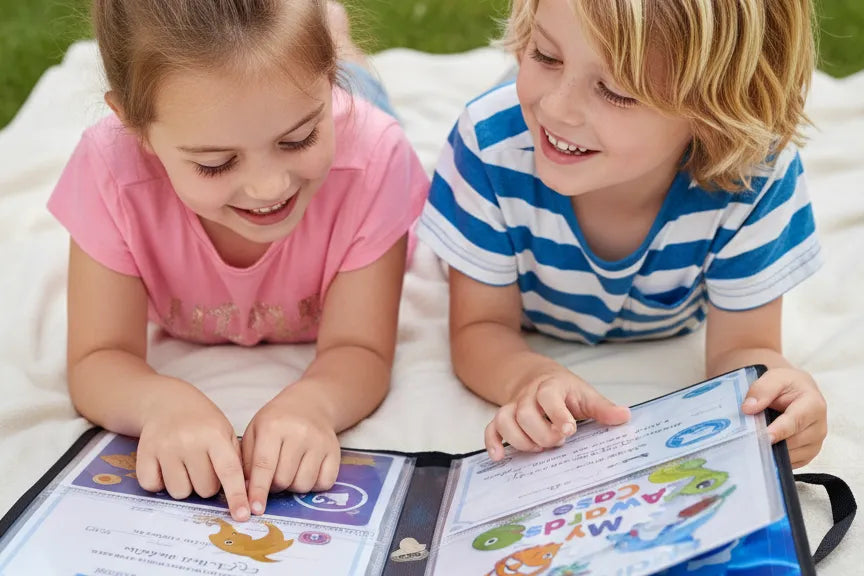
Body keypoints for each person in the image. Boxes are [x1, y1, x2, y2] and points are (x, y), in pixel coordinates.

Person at [48, 0, 428, 522]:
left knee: (366, 93)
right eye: (215, 163)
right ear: (135, 129)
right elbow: (98, 357)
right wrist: (160, 405)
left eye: (299, 139)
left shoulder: (374, 159)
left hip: (352, 110)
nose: (269, 187)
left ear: (325, 86)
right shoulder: (110, 171)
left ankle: (342, 51)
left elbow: (360, 348)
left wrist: (314, 404)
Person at [417, 0, 826, 469]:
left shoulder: (755, 175)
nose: (556, 107)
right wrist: (531, 379)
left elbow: (744, 348)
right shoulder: (490, 146)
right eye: (545, 55)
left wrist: (777, 393)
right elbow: (479, 329)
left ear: (718, 109)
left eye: (616, 92)